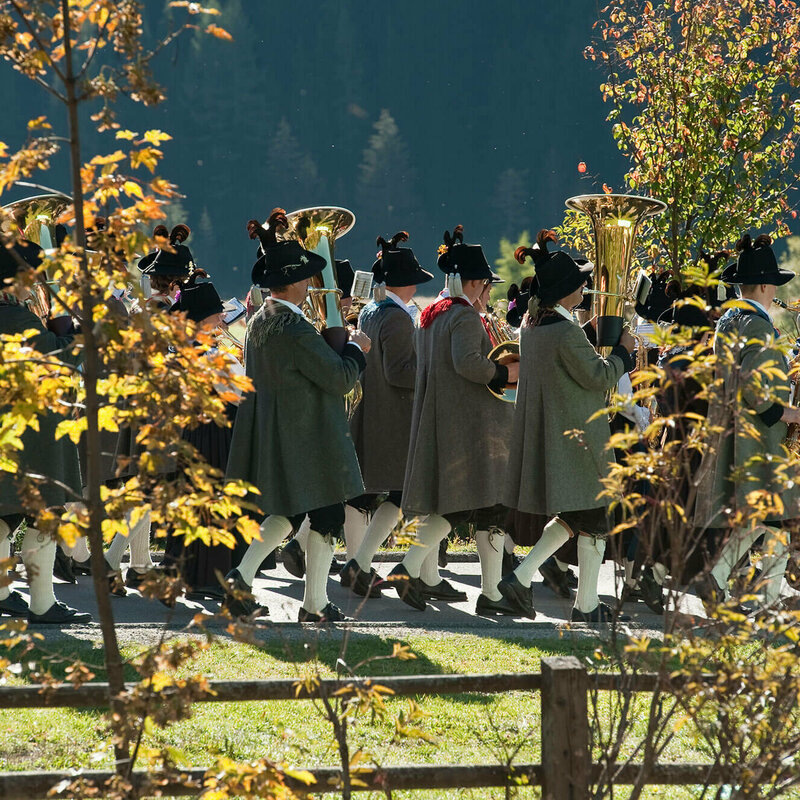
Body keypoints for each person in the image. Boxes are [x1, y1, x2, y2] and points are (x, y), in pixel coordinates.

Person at [223, 209, 370, 623]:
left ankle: (241, 577)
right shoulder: (293, 327)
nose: (310, 283)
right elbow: (339, 379)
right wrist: (356, 349)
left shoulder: (260, 320)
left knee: (287, 513)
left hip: (283, 432)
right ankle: (315, 604)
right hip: (308, 434)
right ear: (292, 282)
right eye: (305, 277)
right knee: (327, 515)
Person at [500, 229, 636, 623]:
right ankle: (579, 603)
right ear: (565, 292)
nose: (584, 287)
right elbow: (599, 376)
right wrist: (624, 353)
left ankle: (531, 582)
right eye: (579, 283)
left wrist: (591, 336)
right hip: (580, 438)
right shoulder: (565, 331)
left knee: (581, 517)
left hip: (561, 435)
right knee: (593, 518)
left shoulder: (533, 323)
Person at [396, 225, 519, 615]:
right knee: (485, 507)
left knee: (462, 508)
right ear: (476, 283)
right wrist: (506, 373)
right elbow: (468, 363)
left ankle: (486, 591)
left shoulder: (431, 313)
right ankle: (487, 592)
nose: (489, 293)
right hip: (471, 426)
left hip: (444, 420)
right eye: (487, 286)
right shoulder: (464, 316)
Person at [694, 233, 800, 611]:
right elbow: (756, 390)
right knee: (776, 520)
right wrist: (790, 413)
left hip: (739, 434)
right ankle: (762, 601)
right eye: (774, 285)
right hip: (760, 438)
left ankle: (723, 580)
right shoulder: (757, 325)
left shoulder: (729, 320)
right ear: (765, 286)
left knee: (766, 520)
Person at [0, 238, 91, 624]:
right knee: (46, 514)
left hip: (11, 427)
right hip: (35, 433)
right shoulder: (16, 317)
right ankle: (42, 603)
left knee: (5, 515)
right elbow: (57, 358)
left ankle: (2, 593)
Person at [340, 231, 433, 598]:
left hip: (375, 411)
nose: (417, 285)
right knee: (400, 493)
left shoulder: (371, 310)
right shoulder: (397, 318)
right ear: (406, 283)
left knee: (386, 494)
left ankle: (359, 565)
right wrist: (430, 371)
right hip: (395, 417)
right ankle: (360, 565)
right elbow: (399, 372)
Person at [165, 274, 244, 599]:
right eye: (216, 315)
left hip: (193, 435)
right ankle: (209, 579)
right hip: (213, 436)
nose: (223, 319)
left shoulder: (187, 349)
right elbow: (240, 395)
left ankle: (189, 576)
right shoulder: (211, 355)